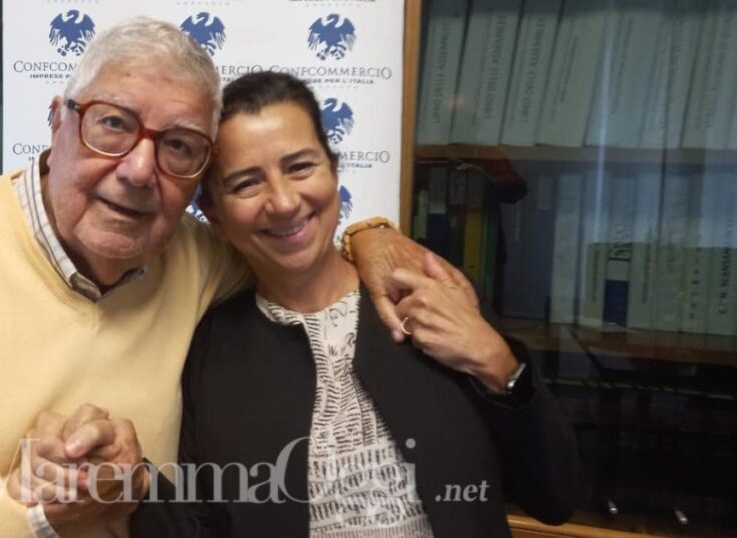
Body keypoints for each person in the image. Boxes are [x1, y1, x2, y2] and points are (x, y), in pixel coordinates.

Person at [0, 18, 446, 538]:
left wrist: (374, 238)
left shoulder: (199, 259)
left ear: (197, 184)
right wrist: (22, 513)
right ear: (58, 121)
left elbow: (293, 242)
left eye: (179, 147)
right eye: (113, 124)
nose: (139, 170)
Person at [130, 72, 579, 537]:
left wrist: (498, 363)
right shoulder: (211, 351)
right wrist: (129, 485)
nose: (283, 202)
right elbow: (201, 526)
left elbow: (556, 497)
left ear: (334, 170)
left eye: (300, 167)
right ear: (214, 213)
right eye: (246, 183)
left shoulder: (432, 295)